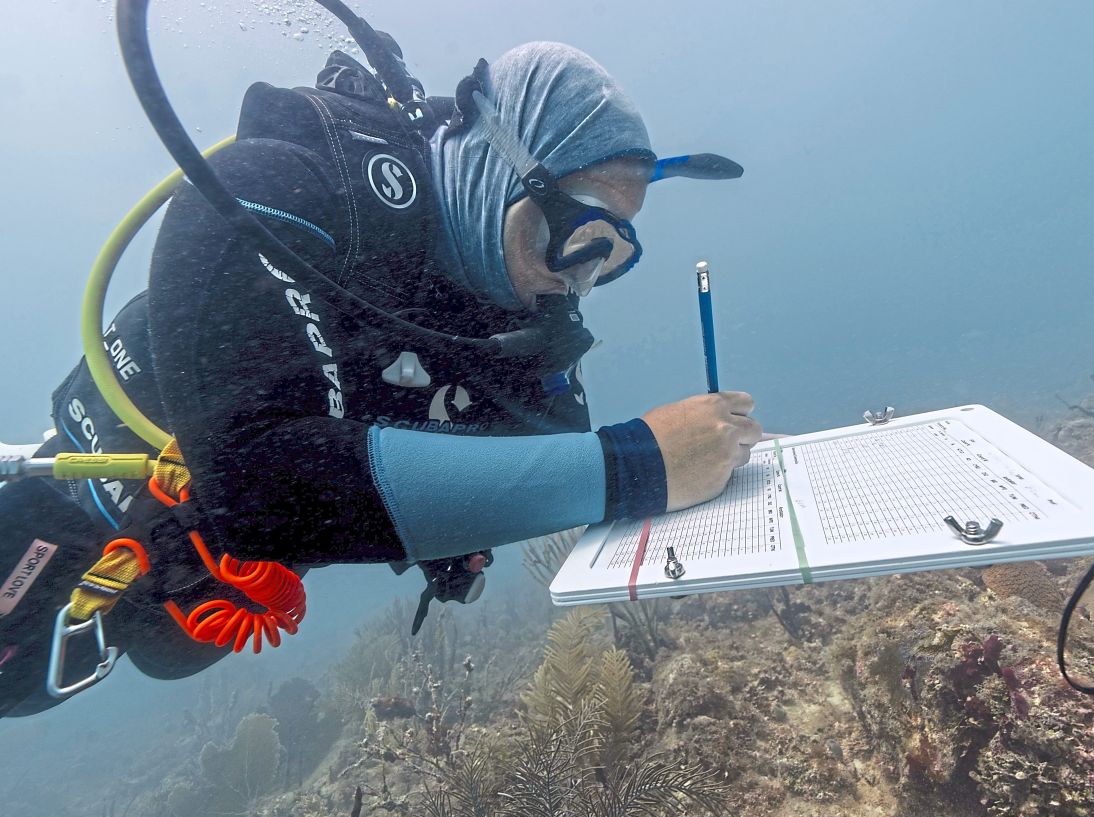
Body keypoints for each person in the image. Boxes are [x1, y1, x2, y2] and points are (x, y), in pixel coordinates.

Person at [0, 40, 761, 718]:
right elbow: (260, 483)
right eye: (571, 234)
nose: (577, 279)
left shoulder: (503, 323)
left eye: (608, 256)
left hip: (166, 610)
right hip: (62, 520)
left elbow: (547, 456)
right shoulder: (277, 186)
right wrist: (638, 466)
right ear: (500, 168)